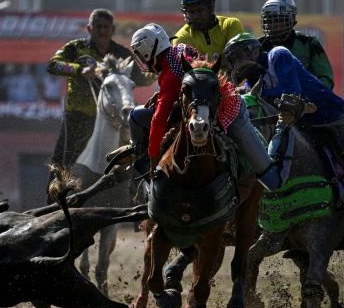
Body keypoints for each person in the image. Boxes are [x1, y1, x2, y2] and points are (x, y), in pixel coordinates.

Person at [222, 34, 344, 262]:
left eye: (239, 56)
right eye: (232, 60)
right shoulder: (251, 85)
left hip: (333, 117)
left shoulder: (277, 55)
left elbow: (290, 91)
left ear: (254, 52)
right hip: (302, 128)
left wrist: (250, 95)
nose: (236, 64)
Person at [110, 23, 299, 193]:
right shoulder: (179, 50)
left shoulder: (170, 76)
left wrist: (152, 159)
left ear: (148, 50)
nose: (141, 61)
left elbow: (158, 120)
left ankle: (283, 127)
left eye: (139, 54)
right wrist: (161, 96)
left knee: (274, 181)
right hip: (205, 112)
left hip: (231, 114)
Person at [45, 9, 153, 182]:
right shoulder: (77, 48)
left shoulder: (122, 53)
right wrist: (78, 69)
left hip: (114, 120)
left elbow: (141, 79)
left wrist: (158, 72)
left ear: (113, 29)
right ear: (89, 29)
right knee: (61, 162)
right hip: (79, 116)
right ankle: (53, 200)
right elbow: (52, 65)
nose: (102, 31)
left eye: (106, 27)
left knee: (136, 153)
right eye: (98, 27)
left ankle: (138, 195)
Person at [257, 0, 335, 90]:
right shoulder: (257, 46)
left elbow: (326, 77)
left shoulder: (309, 43)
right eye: (269, 21)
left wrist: (312, 93)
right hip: (265, 98)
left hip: (301, 99)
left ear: (291, 20)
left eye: (279, 21)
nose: (273, 26)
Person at [171, 0, 245, 61]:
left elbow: (239, 62)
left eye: (200, 10)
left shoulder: (231, 25)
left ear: (211, 5)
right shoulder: (181, 38)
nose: (196, 16)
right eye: (191, 12)